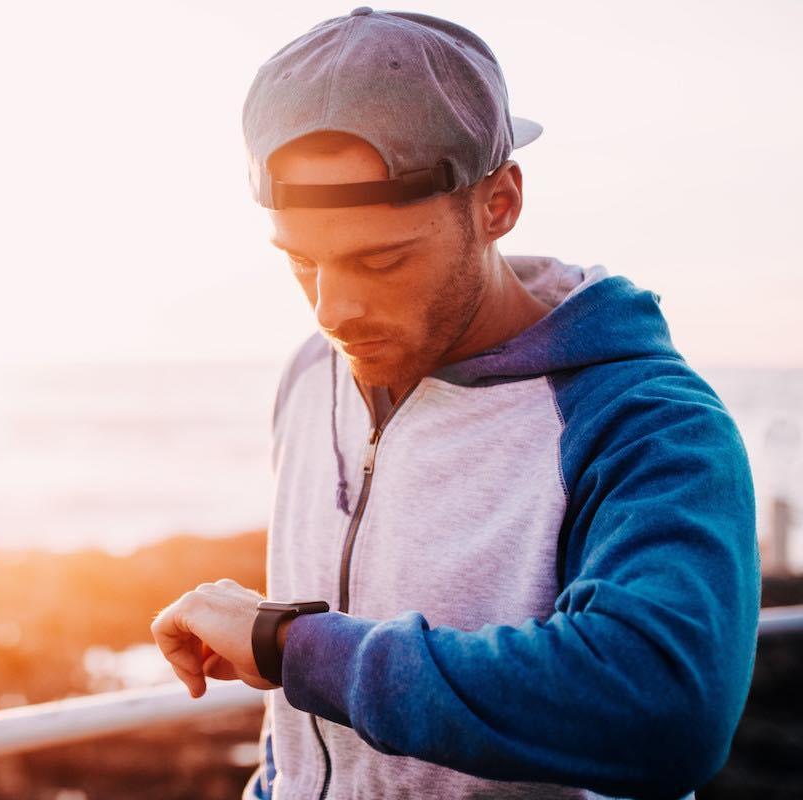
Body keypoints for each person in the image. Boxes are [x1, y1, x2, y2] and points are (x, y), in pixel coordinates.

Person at [150, 8, 760, 800]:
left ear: (498, 202)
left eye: (382, 259)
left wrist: (292, 647)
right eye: (302, 262)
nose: (333, 311)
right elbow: (304, 742)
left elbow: (664, 712)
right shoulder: (313, 371)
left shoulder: (645, 422)